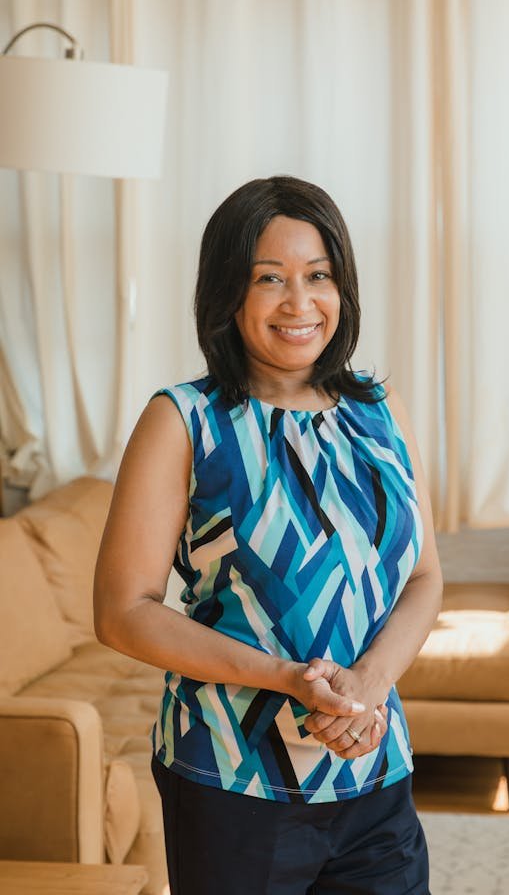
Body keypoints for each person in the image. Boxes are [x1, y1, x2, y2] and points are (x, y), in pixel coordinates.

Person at [94, 175, 443, 895]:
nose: (299, 302)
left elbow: (423, 578)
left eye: (318, 276)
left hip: (372, 766)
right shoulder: (183, 420)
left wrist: (368, 688)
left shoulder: (379, 410)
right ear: (228, 293)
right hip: (232, 778)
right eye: (269, 280)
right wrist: (289, 681)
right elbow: (122, 612)